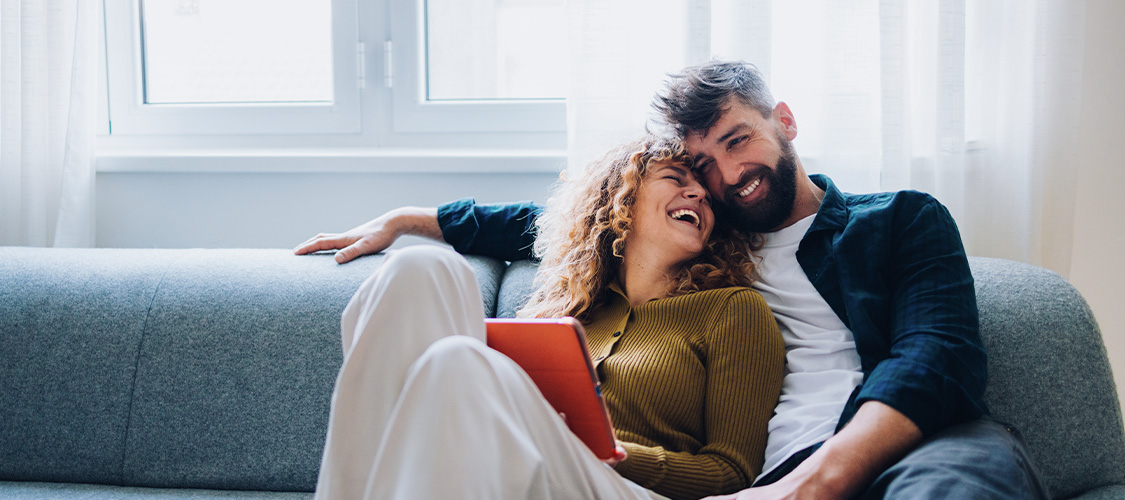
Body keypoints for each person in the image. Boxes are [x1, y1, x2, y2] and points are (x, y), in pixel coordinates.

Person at [297, 60, 1050, 500]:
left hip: (856, 455)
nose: (728, 177)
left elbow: (936, 356)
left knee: (959, 479)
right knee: (427, 281)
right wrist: (417, 218)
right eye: (701, 167)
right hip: (742, 478)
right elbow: (575, 218)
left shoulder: (897, 220)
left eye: (738, 140)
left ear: (784, 122)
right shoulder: (714, 238)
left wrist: (817, 482)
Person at [304, 136, 785, 500]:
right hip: (527, 476)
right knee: (420, 269)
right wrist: (402, 221)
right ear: (620, 201)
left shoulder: (732, 309)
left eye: (706, 196)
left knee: (459, 359)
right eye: (676, 179)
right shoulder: (564, 310)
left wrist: (605, 449)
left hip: (627, 490)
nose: (698, 194)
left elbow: (732, 472)